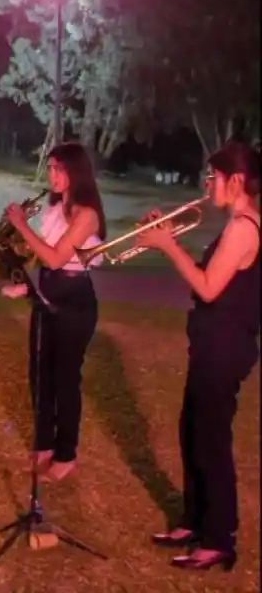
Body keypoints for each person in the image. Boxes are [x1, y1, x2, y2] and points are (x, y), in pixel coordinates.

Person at [137, 142, 258, 571]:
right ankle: (194, 521)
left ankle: (219, 538)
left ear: (237, 180)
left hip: (224, 350)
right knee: (192, 431)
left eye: (214, 177)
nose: (208, 185)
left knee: (211, 441)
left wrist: (167, 246)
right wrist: (165, 238)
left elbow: (208, 287)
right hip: (211, 343)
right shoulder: (235, 225)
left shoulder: (245, 227)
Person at [0, 142, 106, 483]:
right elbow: (42, 259)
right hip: (48, 291)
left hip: (75, 301)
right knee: (40, 375)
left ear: (76, 172)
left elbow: (58, 258)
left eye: (59, 169)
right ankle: (44, 444)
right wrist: (26, 286)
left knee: (65, 380)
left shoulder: (87, 214)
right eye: (51, 168)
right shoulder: (54, 208)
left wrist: (21, 225)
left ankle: (66, 454)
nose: (53, 175)